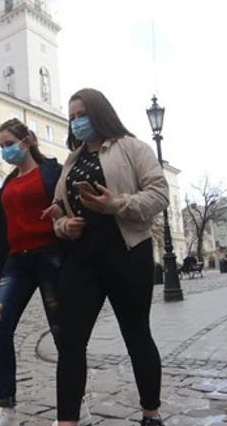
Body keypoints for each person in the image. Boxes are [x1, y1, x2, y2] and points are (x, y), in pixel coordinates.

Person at [48, 88, 169, 426]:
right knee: (70, 340)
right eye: (71, 117)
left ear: (99, 113)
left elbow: (159, 194)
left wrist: (114, 204)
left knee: (136, 333)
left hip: (127, 252)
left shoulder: (131, 147)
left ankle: (151, 412)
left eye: (81, 114)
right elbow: (59, 211)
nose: (76, 122)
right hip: (81, 259)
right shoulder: (71, 160)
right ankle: (67, 421)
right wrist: (63, 225)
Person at [0, 121, 82, 426]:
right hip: (17, 261)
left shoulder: (50, 171)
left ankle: (76, 405)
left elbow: (71, 204)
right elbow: (0, 228)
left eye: (9, 142)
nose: (5, 150)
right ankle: (6, 409)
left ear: (27, 141)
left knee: (61, 332)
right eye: (1, 145)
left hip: (50, 256)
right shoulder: (7, 184)